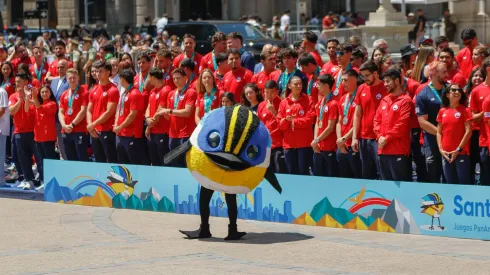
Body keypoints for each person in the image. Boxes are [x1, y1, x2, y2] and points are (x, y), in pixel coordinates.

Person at [374, 69, 412, 181]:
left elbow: (402, 124)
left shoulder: (405, 100)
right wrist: (379, 136)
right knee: (386, 188)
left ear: (396, 81)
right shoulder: (384, 100)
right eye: (384, 81)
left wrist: (386, 138)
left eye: (388, 81)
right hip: (383, 150)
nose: (385, 84)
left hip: (398, 151)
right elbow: (376, 121)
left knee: (400, 188)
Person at [352, 60, 387, 180]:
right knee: (367, 175)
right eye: (362, 76)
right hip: (364, 138)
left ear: (376, 73)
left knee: (382, 173)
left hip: (379, 139)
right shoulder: (361, 88)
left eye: (367, 75)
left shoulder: (385, 88)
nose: (364, 78)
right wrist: (354, 137)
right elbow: (357, 114)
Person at [416, 61, 448, 183]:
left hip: (451, 140)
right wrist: (442, 134)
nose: (447, 75)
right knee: (433, 174)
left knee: (450, 176)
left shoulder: (451, 90)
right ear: (434, 73)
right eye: (444, 72)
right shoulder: (423, 94)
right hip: (432, 140)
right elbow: (422, 122)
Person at [159, 68, 197, 167]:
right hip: (173, 134)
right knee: (175, 164)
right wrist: (165, 114)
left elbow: (187, 112)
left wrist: (170, 111)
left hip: (185, 134)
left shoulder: (191, 92)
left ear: (185, 78)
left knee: (185, 164)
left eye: (178, 78)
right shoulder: (171, 94)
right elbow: (169, 117)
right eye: (174, 79)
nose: (176, 81)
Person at [277, 76, 315, 175]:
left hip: (304, 144)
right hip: (289, 145)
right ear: (289, 86)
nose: (299, 86)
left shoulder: (308, 100)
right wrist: (286, 120)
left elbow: (309, 120)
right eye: (296, 84)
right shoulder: (284, 102)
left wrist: (293, 121)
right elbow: (280, 125)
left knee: (304, 172)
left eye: (300, 84)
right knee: (292, 173)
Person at [8, 73, 39, 190]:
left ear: (26, 82)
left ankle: (41, 180)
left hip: (33, 131)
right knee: (23, 158)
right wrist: (19, 100)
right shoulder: (13, 96)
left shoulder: (32, 94)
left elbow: (36, 107)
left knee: (38, 157)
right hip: (19, 131)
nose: (17, 84)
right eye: (16, 82)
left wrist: (26, 98)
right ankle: (28, 180)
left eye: (19, 82)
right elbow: (11, 111)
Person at [437, 83, 472, 184]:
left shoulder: (465, 110)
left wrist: (458, 150)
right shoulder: (442, 111)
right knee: (450, 184)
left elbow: (468, 132)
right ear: (447, 94)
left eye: (459, 90)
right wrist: (440, 149)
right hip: (446, 154)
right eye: (454, 90)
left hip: (461, 153)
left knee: (463, 184)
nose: (457, 92)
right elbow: (439, 132)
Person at [87, 60, 119, 163]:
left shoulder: (113, 89)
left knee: (111, 160)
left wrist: (92, 125)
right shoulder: (94, 89)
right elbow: (89, 110)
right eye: (96, 71)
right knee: (98, 160)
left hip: (107, 130)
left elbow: (109, 112)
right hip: (94, 131)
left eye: (100, 71)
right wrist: (90, 126)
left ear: (108, 72)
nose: (97, 74)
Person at [28, 85, 57, 189]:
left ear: (50, 93)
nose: (44, 94)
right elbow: (28, 107)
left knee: (49, 160)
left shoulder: (52, 104)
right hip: (38, 137)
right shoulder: (39, 103)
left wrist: (34, 96)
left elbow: (39, 107)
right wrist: (27, 96)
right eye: (42, 92)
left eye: (46, 92)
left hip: (48, 137)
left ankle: (51, 182)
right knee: (40, 161)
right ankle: (44, 181)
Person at [114, 69, 145, 165]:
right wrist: (116, 124)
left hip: (131, 134)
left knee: (133, 163)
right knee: (122, 162)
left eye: (120, 79)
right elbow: (119, 110)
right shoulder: (124, 93)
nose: (119, 81)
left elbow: (132, 115)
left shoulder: (135, 93)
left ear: (123, 79)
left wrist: (120, 127)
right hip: (120, 133)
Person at [311, 74, 339, 177]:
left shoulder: (334, 103)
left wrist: (317, 140)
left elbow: (330, 127)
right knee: (319, 176)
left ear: (327, 86)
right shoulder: (320, 103)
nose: (317, 86)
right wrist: (315, 141)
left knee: (330, 176)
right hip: (318, 146)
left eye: (319, 84)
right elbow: (318, 122)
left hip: (329, 146)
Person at [59, 69, 89, 162]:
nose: (72, 80)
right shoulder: (64, 94)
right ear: (67, 79)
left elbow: (83, 111)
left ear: (78, 78)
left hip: (79, 130)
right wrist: (64, 125)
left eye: (74, 78)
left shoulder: (84, 92)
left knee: (82, 158)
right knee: (70, 158)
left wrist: (72, 124)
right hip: (66, 131)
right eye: (70, 78)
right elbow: (60, 112)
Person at [336, 69, 361, 179]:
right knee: (344, 177)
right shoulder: (342, 98)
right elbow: (339, 121)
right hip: (342, 144)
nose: (343, 83)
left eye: (346, 80)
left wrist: (345, 138)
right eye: (342, 81)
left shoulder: (360, 97)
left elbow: (358, 120)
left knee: (357, 176)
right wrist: (340, 140)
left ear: (355, 80)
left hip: (353, 144)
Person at [257, 80, 285, 173]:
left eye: (272, 92)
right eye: (267, 92)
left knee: (280, 172)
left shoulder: (282, 103)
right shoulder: (261, 105)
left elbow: (284, 123)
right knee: (268, 172)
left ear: (277, 91)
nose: (269, 95)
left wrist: (273, 111)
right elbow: (260, 125)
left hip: (278, 144)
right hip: (266, 145)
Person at [145, 67, 170, 166]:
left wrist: (148, 126)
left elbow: (160, 111)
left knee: (163, 162)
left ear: (153, 78)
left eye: (148, 77)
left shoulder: (165, 90)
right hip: (153, 131)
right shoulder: (153, 91)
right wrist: (147, 119)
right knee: (155, 161)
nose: (148, 80)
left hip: (162, 131)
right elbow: (149, 106)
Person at [471, 59, 490, 185]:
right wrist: (486, 111)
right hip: (485, 140)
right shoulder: (477, 91)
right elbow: (473, 117)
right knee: (486, 175)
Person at [0, 85, 8, 187]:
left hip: (1, 129)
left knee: (1, 154)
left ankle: (1, 179)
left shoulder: (2, 92)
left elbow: (2, 110)